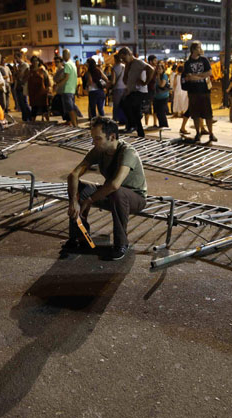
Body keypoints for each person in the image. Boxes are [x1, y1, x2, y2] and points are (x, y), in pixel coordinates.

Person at [66, 116, 147, 261]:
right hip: (112, 194)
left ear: (112, 137)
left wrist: (90, 200)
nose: (93, 142)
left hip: (134, 198)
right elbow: (73, 175)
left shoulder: (127, 152)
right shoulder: (99, 150)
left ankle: (121, 244)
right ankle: (80, 237)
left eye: (97, 138)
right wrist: (74, 201)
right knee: (80, 188)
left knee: (117, 191)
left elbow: (115, 184)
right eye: (93, 138)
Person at [182, 41, 217, 144]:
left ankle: (211, 133)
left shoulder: (204, 60)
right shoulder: (188, 63)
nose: (201, 49)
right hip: (193, 92)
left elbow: (209, 73)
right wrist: (202, 75)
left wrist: (196, 76)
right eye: (199, 48)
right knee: (195, 114)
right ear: (193, 50)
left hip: (205, 91)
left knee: (208, 114)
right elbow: (189, 77)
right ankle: (198, 133)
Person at [118, 47, 154, 137]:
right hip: (132, 91)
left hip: (139, 91)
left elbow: (151, 69)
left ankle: (133, 124)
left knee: (126, 104)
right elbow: (125, 80)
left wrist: (145, 82)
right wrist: (126, 70)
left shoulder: (138, 62)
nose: (123, 61)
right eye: (121, 59)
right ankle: (140, 133)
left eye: (124, 58)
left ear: (129, 54)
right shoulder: (128, 65)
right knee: (131, 110)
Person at [27, 56, 51, 122]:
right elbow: (24, 80)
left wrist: (48, 87)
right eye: (33, 61)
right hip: (33, 93)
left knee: (44, 108)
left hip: (42, 92)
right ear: (31, 62)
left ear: (38, 62)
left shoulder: (42, 71)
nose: (35, 62)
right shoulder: (29, 71)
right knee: (34, 109)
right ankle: (32, 123)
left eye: (36, 60)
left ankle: (47, 121)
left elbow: (47, 80)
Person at [14, 51, 31, 121]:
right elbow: (15, 75)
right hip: (18, 86)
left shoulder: (24, 65)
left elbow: (19, 75)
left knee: (24, 102)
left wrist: (15, 67)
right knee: (20, 103)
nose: (15, 60)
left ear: (20, 57)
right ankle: (25, 117)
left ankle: (29, 117)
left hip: (23, 86)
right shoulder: (19, 66)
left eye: (16, 58)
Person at [111, 53, 127, 125]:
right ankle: (123, 119)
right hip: (125, 88)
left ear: (115, 59)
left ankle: (115, 119)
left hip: (117, 88)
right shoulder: (124, 66)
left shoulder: (114, 68)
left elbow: (113, 81)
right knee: (123, 105)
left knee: (116, 105)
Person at [153, 62, 170, 128]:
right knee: (158, 112)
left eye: (160, 69)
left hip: (163, 96)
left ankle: (165, 125)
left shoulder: (164, 75)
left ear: (163, 69)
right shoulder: (154, 76)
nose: (158, 70)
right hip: (156, 96)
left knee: (161, 112)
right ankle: (161, 125)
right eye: (157, 69)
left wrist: (159, 77)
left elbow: (161, 85)